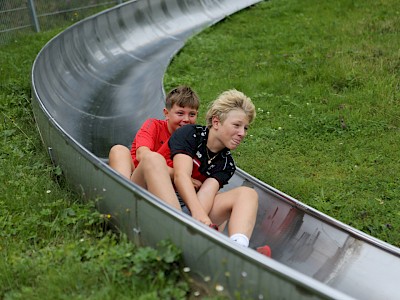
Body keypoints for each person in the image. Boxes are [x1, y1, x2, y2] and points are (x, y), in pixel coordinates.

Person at [131, 89, 271, 257]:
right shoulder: (190, 133)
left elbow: (207, 194)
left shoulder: (227, 163)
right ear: (216, 122)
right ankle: (180, 228)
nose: (242, 133)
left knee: (248, 194)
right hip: (151, 192)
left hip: (186, 205)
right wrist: (199, 216)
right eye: (236, 125)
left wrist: (200, 217)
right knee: (153, 159)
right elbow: (181, 176)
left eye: (245, 128)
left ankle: (237, 250)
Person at [108, 85, 201, 183]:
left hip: (162, 185)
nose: (186, 119)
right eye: (180, 113)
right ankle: (124, 189)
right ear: (166, 113)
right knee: (119, 150)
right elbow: (142, 154)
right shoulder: (153, 125)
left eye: (192, 114)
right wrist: (182, 176)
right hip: (138, 178)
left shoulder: (195, 138)